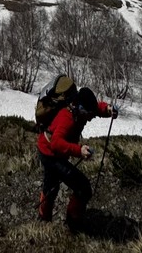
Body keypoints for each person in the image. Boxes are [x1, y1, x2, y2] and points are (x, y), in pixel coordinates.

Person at [37, 85, 117, 231]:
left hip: (48, 149)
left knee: (51, 185)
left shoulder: (79, 108)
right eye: (89, 114)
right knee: (83, 188)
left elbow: (95, 108)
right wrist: (79, 150)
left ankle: (44, 219)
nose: (90, 118)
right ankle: (73, 225)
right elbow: (56, 143)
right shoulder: (66, 118)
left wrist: (107, 109)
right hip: (51, 155)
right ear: (80, 108)